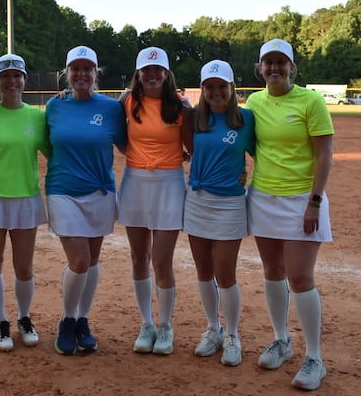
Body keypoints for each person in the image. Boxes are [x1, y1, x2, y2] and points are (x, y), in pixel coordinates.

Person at [246, 38, 334, 391]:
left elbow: (325, 155)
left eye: (281, 62)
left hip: (302, 199)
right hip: (264, 196)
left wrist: (314, 201)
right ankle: (282, 341)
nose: (275, 68)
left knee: (300, 277)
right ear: (260, 68)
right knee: (273, 271)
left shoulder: (311, 101)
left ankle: (314, 357)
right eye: (269, 62)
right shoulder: (254, 101)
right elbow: (251, 145)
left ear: (292, 67)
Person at [45, 45, 127, 356]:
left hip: (100, 191)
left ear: (95, 73)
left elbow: (127, 146)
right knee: (78, 261)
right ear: (66, 73)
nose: (81, 74)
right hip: (63, 190)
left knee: (92, 261)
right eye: (75, 69)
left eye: (87, 69)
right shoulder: (55, 106)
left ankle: (82, 320)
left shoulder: (110, 108)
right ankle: (68, 319)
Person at [0, 53, 49, 352]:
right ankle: (0, 320)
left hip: (25, 197)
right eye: (5, 76)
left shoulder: (38, 116)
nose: (12, 80)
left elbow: (53, 153)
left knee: (24, 267)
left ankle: (24, 318)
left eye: (17, 75)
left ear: (24, 80)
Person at [117, 46, 189, 355]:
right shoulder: (128, 101)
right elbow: (116, 134)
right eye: (146, 70)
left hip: (169, 183)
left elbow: (193, 147)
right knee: (138, 258)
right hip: (135, 181)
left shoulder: (181, 106)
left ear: (166, 73)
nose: (152, 74)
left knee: (161, 260)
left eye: (158, 69)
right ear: (138, 74)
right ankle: (146, 323)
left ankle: (165, 325)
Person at [183, 60, 255, 365]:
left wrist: (249, 181)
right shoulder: (193, 118)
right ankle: (213, 329)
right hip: (198, 200)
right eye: (209, 87)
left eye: (221, 86)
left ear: (231, 88)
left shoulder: (247, 119)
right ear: (203, 90)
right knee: (203, 271)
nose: (215, 92)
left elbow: (261, 154)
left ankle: (232, 335)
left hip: (230, 204)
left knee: (225, 273)